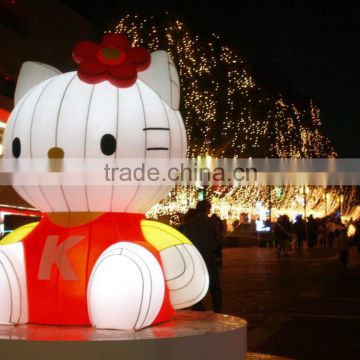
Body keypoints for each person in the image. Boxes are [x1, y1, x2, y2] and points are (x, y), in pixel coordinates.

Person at [183, 200, 222, 313]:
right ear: (207, 209)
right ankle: (217, 309)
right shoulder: (212, 223)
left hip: (196, 257)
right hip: (209, 256)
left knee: (197, 284)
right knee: (215, 285)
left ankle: (198, 307)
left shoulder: (189, 224)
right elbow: (218, 239)